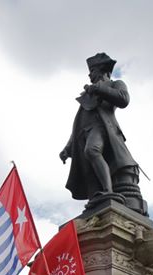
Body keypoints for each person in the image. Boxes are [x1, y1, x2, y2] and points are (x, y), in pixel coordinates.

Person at [60, 52, 140, 207]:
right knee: (88, 166)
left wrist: (98, 89)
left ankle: (108, 191)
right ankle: (96, 197)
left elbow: (123, 99)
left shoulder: (115, 84)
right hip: (84, 133)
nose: (89, 75)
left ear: (102, 70)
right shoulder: (88, 94)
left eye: (92, 71)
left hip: (102, 127)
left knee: (92, 151)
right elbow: (80, 122)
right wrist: (68, 147)